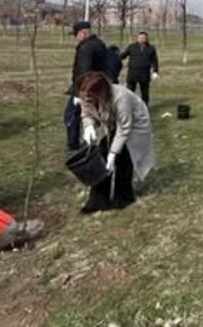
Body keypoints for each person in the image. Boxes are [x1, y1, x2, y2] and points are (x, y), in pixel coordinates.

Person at [77, 72, 155, 214]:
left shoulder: (120, 98)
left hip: (134, 123)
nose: (85, 100)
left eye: (89, 97)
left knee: (124, 157)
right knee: (101, 156)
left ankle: (123, 197)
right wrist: (88, 126)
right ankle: (98, 200)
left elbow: (124, 128)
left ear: (100, 93)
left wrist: (113, 153)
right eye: (83, 97)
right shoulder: (86, 95)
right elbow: (86, 113)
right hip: (113, 120)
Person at [65, 22, 110, 150]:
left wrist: (78, 92)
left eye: (76, 35)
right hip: (99, 85)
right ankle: (93, 142)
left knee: (71, 115)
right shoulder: (99, 44)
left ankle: (74, 145)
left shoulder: (86, 48)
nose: (76, 38)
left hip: (86, 88)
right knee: (93, 115)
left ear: (83, 33)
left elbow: (84, 71)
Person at [120, 31, 160, 107]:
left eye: (143, 38)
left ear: (147, 39)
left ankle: (144, 107)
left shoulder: (151, 48)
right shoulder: (132, 47)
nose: (141, 39)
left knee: (145, 93)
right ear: (137, 38)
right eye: (140, 38)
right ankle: (128, 106)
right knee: (129, 92)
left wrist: (155, 71)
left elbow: (155, 60)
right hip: (132, 73)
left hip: (144, 74)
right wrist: (115, 58)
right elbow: (123, 55)